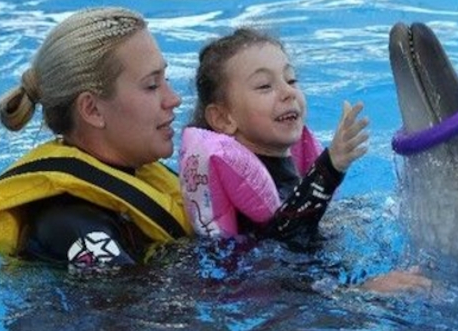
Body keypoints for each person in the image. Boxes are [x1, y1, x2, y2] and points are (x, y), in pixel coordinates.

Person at [179, 27, 431, 292]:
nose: (287, 92)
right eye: (264, 86)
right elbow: (285, 237)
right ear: (223, 118)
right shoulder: (241, 187)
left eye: (291, 80)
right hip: (282, 296)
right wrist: (331, 167)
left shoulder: (284, 172)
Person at [0, 7, 193, 271]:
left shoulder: (136, 177)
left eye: (166, 79)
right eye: (152, 85)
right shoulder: (72, 226)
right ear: (92, 110)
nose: (174, 99)